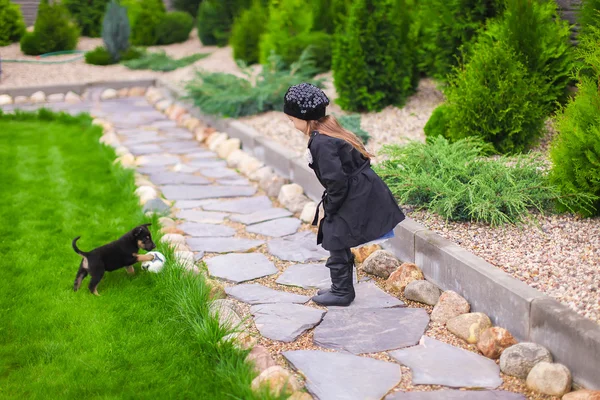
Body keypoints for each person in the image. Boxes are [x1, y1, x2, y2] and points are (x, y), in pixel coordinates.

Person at [283, 82, 405, 307]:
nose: (291, 124)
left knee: (334, 234)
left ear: (304, 117)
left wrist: (331, 207)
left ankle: (342, 292)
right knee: (336, 235)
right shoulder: (326, 130)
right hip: (357, 188)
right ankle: (341, 287)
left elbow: (336, 181)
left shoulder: (321, 142)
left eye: (291, 119)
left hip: (354, 192)